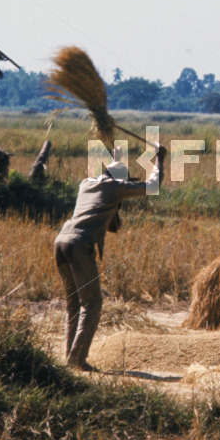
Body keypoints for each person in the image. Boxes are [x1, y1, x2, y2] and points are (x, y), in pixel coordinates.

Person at [54, 145, 166, 370]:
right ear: (121, 181)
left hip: (60, 242)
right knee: (92, 303)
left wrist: (117, 159)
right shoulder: (115, 187)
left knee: (74, 304)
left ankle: (70, 358)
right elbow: (152, 186)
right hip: (79, 244)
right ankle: (77, 361)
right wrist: (159, 160)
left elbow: (108, 181)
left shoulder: (85, 184)